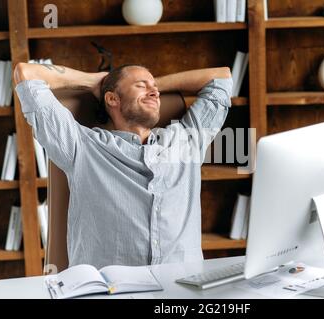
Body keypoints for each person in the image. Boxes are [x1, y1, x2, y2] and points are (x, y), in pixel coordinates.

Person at [13, 62, 233, 269]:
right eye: (140, 85)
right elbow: (26, 74)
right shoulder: (81, 146)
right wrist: (94, 82)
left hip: (181, 288)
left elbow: (221, 77)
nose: (155, 92)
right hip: (110, 289)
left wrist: (153, 87)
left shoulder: (186, 139)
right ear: (112, 99)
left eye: (155, 88)